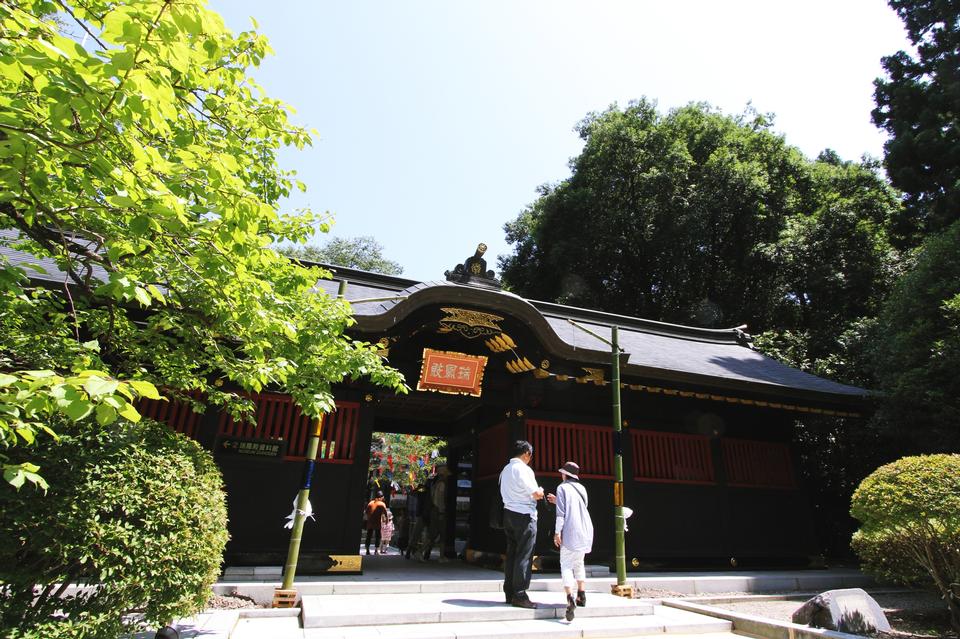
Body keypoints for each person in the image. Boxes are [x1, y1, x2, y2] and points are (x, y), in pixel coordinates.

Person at [499, 440, 547, 609]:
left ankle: (509, 592)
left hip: (508, 514)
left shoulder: (505, 470)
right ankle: (519, 594)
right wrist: (540, 491)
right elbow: (535, 493)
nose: (530, 459)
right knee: (524, 556)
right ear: (526, 452)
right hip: (524, 515)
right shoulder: (524, 470)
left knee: (512, 554)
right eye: (530, 455)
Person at [551, 461, 594, 621]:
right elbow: (581, 507)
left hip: (570, 530)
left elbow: (561, 514)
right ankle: (582, 595)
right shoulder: (582, 488)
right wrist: (558, 501)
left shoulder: (562, 487)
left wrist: (557, 533)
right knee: (579, 563)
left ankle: (570, 598)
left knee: (566, 565)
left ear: (565, 474)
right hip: (585, 529)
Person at [421, 465, 451, 562]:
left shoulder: (434, 484)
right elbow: (440, 499)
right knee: (440, 533)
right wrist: (442, 511)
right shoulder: (442, 485)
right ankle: (437, 556)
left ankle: (425, 552)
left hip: (434, 510)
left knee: (433, 533)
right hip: (438, 511)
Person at [403, 483, 430, 559]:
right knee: (419, 534)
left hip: (422, 514)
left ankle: (412, 550)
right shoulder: (425, 490)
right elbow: (416, 492)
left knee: (416, 534)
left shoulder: (424, 490)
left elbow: (414, 492)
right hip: (423, 514)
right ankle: (415, 551)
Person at [363, 491, 387, 555]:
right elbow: (385, 514)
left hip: (370, 522)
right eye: (382, 497)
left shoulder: (370, 503)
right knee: (377, 536)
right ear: (381, 497)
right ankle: (376, 550)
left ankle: (367, 549)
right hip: (377, 523)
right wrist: (386, 521)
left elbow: (366, 513)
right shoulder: (382, 504)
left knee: (369, 536)